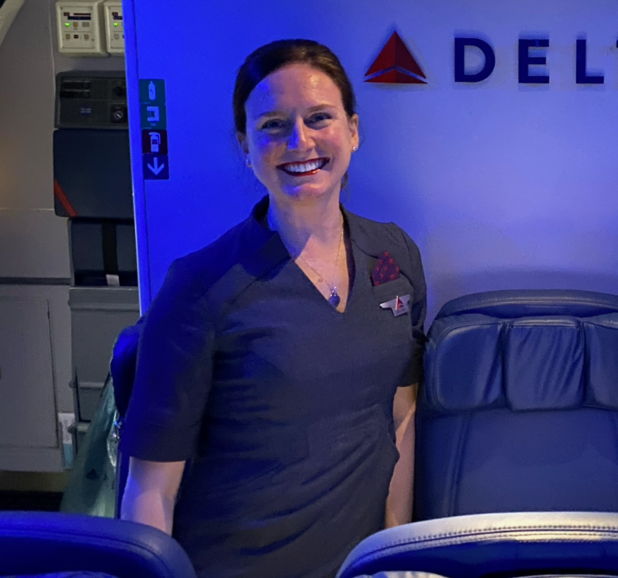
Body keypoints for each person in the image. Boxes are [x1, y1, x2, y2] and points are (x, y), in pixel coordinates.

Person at [120, 39, 425, 578]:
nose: (299, 140)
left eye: (319, 118)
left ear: (352, 130)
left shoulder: (393, 255)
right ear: (245, 144)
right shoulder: (200, 287)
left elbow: (401, 416)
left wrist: (392, 552)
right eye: (273, 125)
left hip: (356, 566)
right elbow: (151, 489)